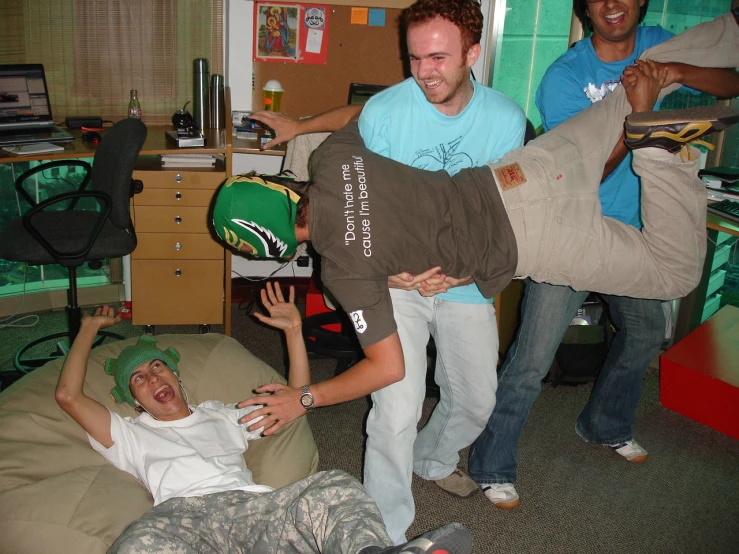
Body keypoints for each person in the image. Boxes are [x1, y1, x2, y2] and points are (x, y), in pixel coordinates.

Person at [211, 14, 739, 508]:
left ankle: (655, 150)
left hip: (537, 238)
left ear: (275, 247)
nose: (424, 71)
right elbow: (358, 115)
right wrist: (300, 126)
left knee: (674, 272)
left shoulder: (343, 268)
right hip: (522, 173)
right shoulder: (333, 158)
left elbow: (387, 367)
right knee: (635, 82)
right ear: (278, 186)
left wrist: (304, 398)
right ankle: (726, 33)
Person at [251, 0, 526, 543]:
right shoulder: (386, 112)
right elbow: (359, 172)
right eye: (415, 57)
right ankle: (383, 531)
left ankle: (433, 458)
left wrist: (460, 274)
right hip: (393, 281)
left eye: (440, 57)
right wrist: (394, 273)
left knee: (476, 400)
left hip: (463, 278)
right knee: (395, 406)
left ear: (473, 53)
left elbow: (497, 208)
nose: (425, 71)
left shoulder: (505, 120)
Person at [466, 0, 739, 510]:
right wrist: (641, 112)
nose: (612, 5)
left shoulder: (661, 45)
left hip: (639, 236)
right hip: (574, 233)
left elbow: (730, 83)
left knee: (644, 333)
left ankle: (603, 424)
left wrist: (676, 72)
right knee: (532, 358)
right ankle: (492, 462)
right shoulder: (566, 76)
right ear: (584, 8)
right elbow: (583, 168)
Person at [54, 283, 474, 554]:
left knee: (335, 486)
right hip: (183, 521)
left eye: (157, 368)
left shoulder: (220, 414)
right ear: (137, 402)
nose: (152, 379)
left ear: (176, 376)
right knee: (137, 544)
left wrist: (294, 331)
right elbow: (68, 396)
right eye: (139, 380)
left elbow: (292, 405)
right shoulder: (130, 433)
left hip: (254, 508)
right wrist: (88, 331)